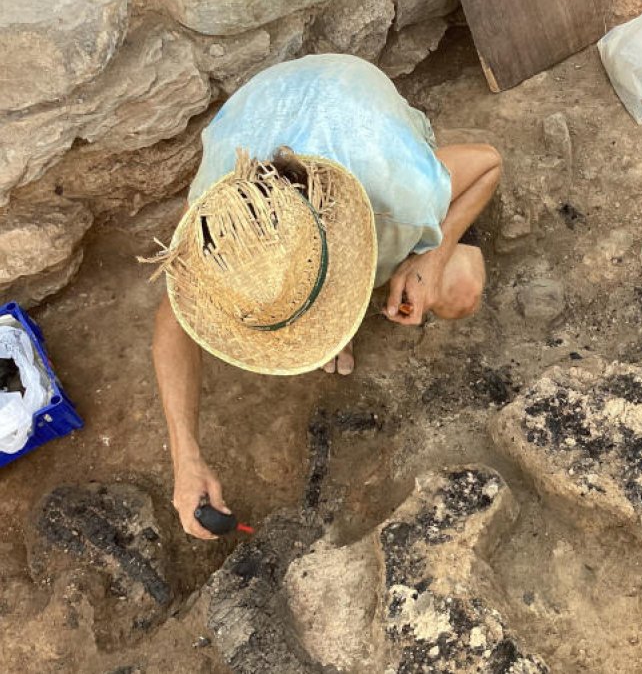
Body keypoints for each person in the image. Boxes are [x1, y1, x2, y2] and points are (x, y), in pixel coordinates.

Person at [149, 54, 501, 539]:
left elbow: (488, 162)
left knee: (461, 288)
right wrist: (185, 458)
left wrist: (430, 261)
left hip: (350, 95)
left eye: (317, 308)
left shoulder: (398, 190)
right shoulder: (222, 220)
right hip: (260, 106)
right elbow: (174, 324)